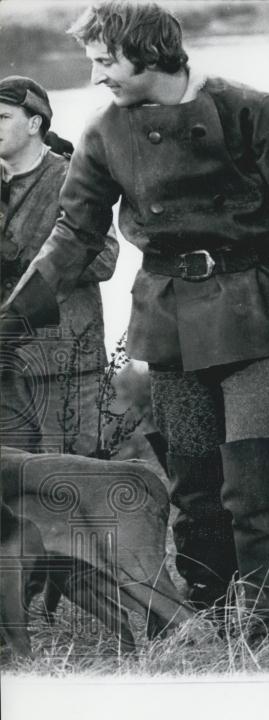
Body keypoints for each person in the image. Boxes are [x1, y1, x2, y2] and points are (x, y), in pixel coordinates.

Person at [0, 1, 269, 623]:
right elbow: (73, 234)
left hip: (261, 319)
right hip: (171, 328)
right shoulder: (104, 130)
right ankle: (210, 620)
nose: (96, 75)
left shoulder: (258, 113)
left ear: (147, 52)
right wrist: (10, 315)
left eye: (105, 60)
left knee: (255, 485)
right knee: (194, 487)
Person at [0, 75, 119, 457]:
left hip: (63, 360)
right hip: (7, 363)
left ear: (34, 123)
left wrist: (28, 256)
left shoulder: (71, 178)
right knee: (12, 488)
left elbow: (105, 258)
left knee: (69, 478)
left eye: (2, 117)